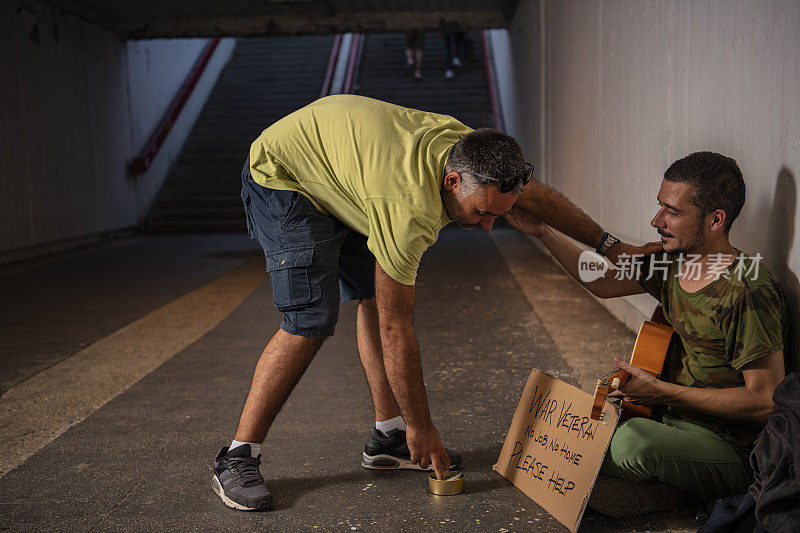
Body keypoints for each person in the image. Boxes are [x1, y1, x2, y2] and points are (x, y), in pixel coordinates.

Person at [211, 94, 655, 511]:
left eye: (499, 213)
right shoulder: (408, 212)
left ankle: (388, 437)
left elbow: (537, 196)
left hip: (344, 168)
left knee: (368, 294)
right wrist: (423, 426)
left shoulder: (474, 155)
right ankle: (237, 456)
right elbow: (394, 329)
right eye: (482, 213)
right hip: (285, 173)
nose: (488, 226)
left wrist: (610, 247)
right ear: (451, 180)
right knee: (309, 319)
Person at [504, 151, 788, 516]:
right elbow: (602, 281)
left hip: (728, 445)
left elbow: (765, 400)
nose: (656, 220)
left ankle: (675, 492)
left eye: (672, 212)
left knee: (629, 447)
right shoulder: (673, 261)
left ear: (716, 219)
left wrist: (662, 391)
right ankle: (652, 485)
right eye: (660, 207)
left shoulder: (747, 289)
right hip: (664, 418)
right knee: (550, 426)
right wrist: (543, 231)